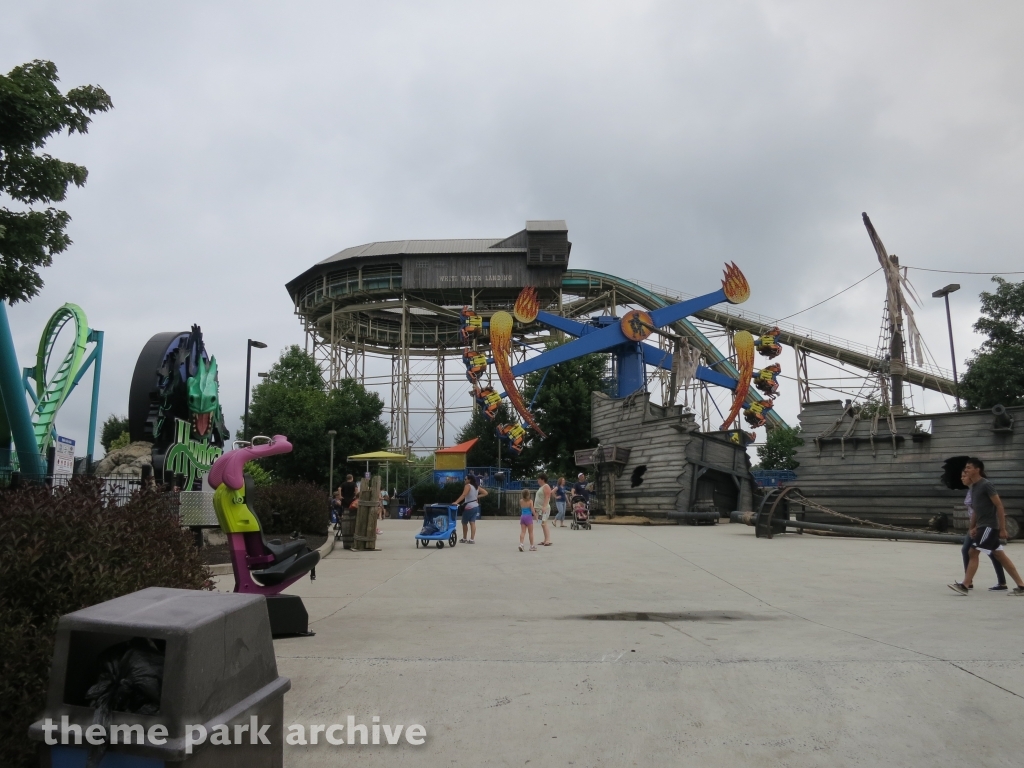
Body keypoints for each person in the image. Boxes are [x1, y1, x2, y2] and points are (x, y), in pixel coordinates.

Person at [949, 458, 1024, 595]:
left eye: (969, 467)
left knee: (973, 552)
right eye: (966, 467)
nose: (966, 470)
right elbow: (976, 510)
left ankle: (965, 585)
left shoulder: (986, 485)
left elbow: (999, 506)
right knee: (1000, 556)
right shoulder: (974, 487)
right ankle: (1022, 586)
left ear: (977, 470)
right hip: (982, 526)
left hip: (989, 526)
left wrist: (1002, 528)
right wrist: (972, 527)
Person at [959, 467, 1006, 591]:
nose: (962, 478)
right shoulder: (972, 490)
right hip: (978, 525)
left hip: (984, 526)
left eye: (965, 475)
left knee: (970, 551)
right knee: (995, 553)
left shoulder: (983, 487)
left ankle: (967, 582)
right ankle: (1004, 582)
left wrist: (1002, 528)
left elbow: (994, 507)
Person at [454, 473, 487, 544]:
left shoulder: (468, 486)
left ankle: (464, 538)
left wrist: (456, 502)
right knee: (472, 522)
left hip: (468, 507)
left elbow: (464, 495)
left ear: (469, 480)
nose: (464, 480)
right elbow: (485, 493)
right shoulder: (476, 487)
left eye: (465, 479)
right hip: (475, 506)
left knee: (464, 522)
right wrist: (476, 497)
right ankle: (472, 539)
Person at [535, 473, 553, 546]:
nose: (538, 480)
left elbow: (547, 496)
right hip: (539, 509)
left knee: (544, 523)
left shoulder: (546, 486)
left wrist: (544, 506)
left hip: (544, 509)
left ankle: (548, 540)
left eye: (539, 479)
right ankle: (545, 539)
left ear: (542, 479)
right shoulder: (541, 487)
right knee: (542, 524)